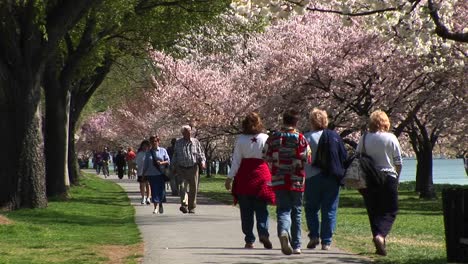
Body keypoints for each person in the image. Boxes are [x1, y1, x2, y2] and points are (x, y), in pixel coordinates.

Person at [263, 109, 311, 255]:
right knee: (296, 211)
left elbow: (265, 155)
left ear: (283, 120)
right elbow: (307, 158)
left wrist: (276, 164)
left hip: (279, 178)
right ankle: (296, 245)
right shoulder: (301, 138)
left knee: (283, 209)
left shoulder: (273, 138)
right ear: (296, 122)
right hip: (296, 179)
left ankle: (284, 231)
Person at [224, 112, 275, 249]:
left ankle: (249, 239)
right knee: (262, 209)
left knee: (246, 211)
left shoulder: (241, 140)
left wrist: (230, 178)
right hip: (262, 176)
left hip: (244, 177)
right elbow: (271, 159)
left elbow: (236, 161)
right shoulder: (266, 138)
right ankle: (263, 233)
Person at [357, 110, 403, 256]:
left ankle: (379, 244)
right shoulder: (391, 138)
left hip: (370, 178)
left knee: (374, 211)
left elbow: (358, 157)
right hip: (388, 176)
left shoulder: (364, 138)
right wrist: (398, 178)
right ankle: (381, 236)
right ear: (385, 122)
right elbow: (398, 162)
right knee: (391, 209)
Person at [303, 108, 347, 251]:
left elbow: (302, 158)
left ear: (311, 121)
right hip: (331, 177)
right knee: (329, 209)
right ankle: (326, 241)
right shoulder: (334, 136)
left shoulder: (306, 138)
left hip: (311, 177)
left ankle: (314, 234)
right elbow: (343, 156)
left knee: (311, 208)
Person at [171, 125, 206, 214]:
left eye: (190, 131)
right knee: (182, 187)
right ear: (183, 133)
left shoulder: (195, 142)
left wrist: (203, 162)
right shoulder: (178, 143)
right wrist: (173, 166)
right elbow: (175, 155)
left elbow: (201, 154)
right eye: (186, 131)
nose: (189, 132)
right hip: (181, 168)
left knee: (193, 188)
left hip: (193, 168)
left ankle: (192, 207)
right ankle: (184, 204)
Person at [143, 135, 170, 214]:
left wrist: (161, 163)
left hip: (161, 174)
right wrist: (143, 174)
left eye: (155, 141)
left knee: (161, 191)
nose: (154, 143)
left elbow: (168, 161)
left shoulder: (163, 150)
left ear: (158, 142)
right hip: (152, 174)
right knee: (154, 190)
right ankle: (155, 207)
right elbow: (146, 164)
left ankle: (160, 203)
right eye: (152, 141)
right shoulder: (148, 153)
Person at [136, 140, 151, 205]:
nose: (145, 147)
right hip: (140, 171)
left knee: (148, 185)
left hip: (149, 172)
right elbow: (136, 162)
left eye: (146, 146)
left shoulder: (150, 153)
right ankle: (143, 197)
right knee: (142, 185)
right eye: (143, 146)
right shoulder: (139, 153)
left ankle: (148, 197)